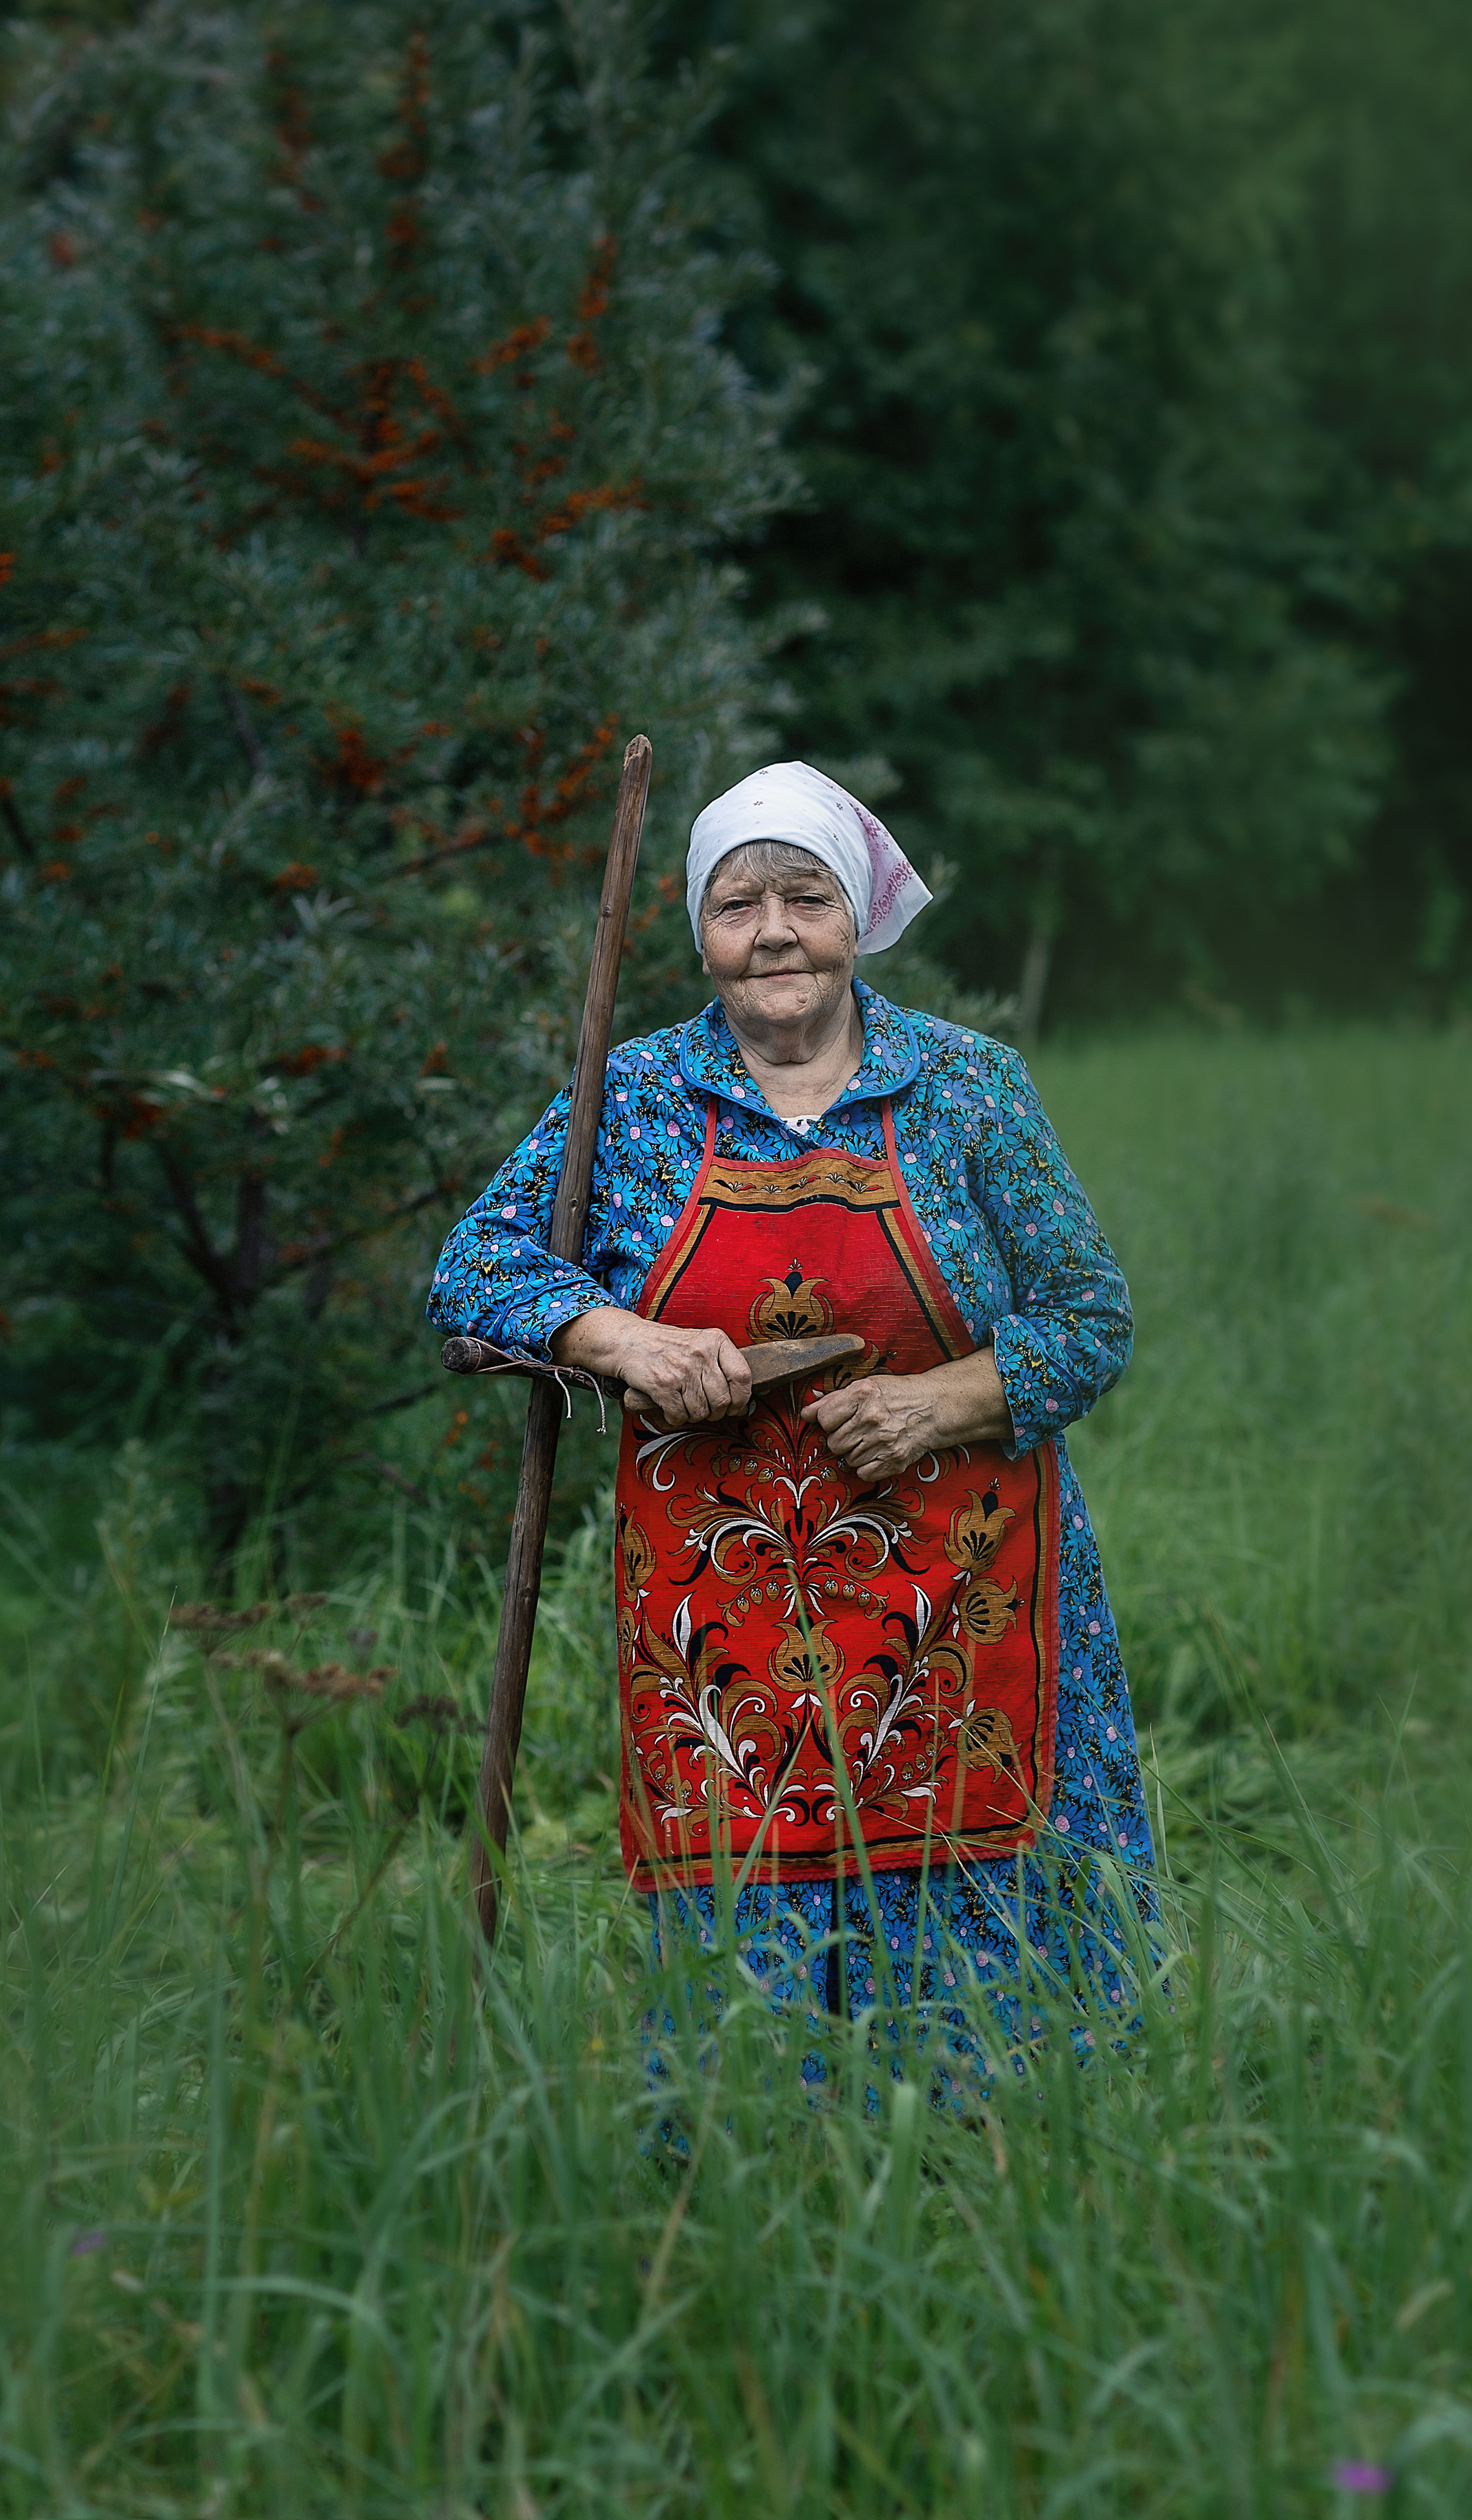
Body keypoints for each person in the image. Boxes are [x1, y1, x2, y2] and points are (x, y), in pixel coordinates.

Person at [428, 761, 1154, 2081]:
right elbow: (478, 1267)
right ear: (698, 932)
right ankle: (750, 2182)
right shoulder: (631, 1100)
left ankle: (1004, 2169)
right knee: (742, 1925)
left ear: (856, 913)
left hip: (966, 1597)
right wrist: (625, 1340)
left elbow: (1087, 1314)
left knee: (985, 1927)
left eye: (804, 896)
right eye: (737, 902)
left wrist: (945, 1400)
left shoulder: (968, 1088)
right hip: (725, 1608)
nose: (772, 930)